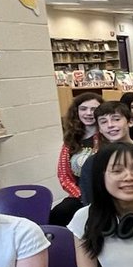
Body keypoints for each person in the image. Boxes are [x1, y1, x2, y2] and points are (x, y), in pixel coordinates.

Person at [52, 92, 102, 226]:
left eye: (94, 109)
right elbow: (64, 176)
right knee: (59, 212)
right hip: (79, 195)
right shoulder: (70, 141)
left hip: (104, 195)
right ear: (77, 112)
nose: (89, 113)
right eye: (83, 109)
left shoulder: (108, 136)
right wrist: (80, 196)